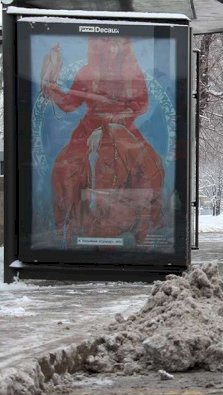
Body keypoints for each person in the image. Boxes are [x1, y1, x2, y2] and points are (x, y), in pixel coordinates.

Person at [40, 37, 164, 246]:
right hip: (90, 127)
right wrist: (52, 89)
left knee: (150, 167)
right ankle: (68, 221)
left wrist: (126, 111)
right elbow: (70, 104)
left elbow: (142, 103)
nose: (112, 48)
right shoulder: (86, 72)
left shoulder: (134, 73)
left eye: (117, 43)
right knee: (66, 167)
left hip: (124, 127)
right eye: (107, 43)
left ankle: (146, 226)